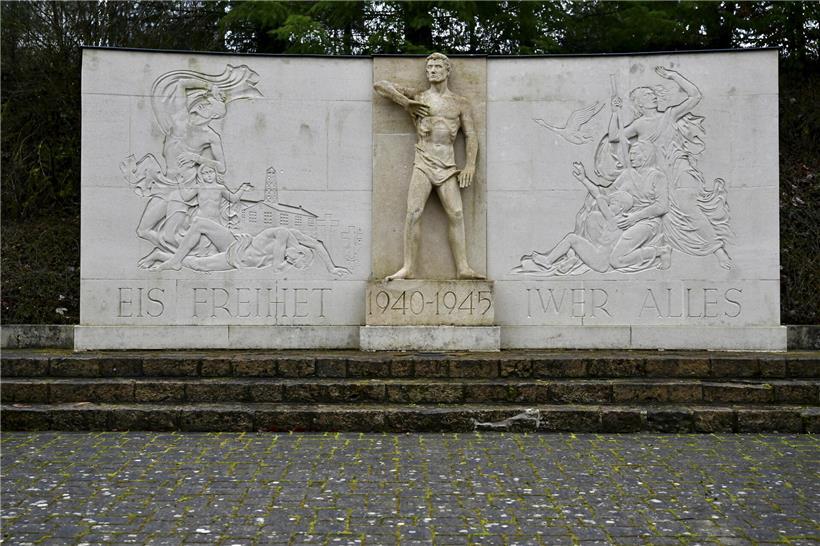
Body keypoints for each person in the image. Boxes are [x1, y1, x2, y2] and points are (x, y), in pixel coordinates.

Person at [604, 67, 733, 269]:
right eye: (647, 95)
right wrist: (614, 112)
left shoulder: (670, 115)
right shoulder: (639, 125)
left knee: (689, 207)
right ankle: (660, 252)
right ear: (638, 103)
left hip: (678, 167)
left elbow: (695, 95)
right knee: (660, 214)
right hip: (657, 174)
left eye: (653, 94)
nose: (653, 96)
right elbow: (614, 137)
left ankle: (719, 251)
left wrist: (674, 76)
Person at [374, 52, 483, 280]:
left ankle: (462, 268)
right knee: (413, 213)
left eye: (436, 67)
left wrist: (470, 165)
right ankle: (408, 267)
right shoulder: (419, 96)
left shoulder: (459, 103)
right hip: (423, 162)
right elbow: (380, 85)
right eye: (429, 67)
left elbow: (471, 136)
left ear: (447, 71)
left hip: (447, 167)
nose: (432, 71)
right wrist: (406, 103)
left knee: (457, 213)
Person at [523, 162, 635, 273]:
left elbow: (597, 194)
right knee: (591, 220)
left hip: (600, 260)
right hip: (601, 257)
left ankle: (548, 261)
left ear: (621, 208)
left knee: (572, 238)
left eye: (613, 203)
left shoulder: (612, 219)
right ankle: (574, 259)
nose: (609, 205)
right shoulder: (624, 221)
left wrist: (583, 179)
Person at [144, 219, 349, 277]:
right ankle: (173, 261)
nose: (290, 262)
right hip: (234, 243)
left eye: (293, 264)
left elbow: (318, 244)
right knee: (199, 224)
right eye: (294, 259)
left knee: (199, 266)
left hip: (235, 260)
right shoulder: (285, 234)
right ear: (299, 251)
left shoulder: (292, 249)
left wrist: (331, 268)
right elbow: (278, 266)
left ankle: (161, 255)